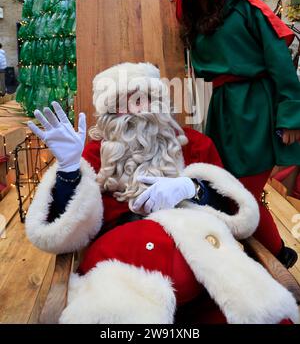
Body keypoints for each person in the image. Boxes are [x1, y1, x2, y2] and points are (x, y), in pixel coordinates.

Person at [25, 62, 297, 324]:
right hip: (122, 276)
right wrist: (69, 170)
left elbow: (229, 207)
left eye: (141, 100)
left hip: (205, 269)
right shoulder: (96, 155)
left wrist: (193, 188)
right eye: (120, 105)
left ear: (159, 103)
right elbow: (63, 228)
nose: (133, 113)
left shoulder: (195, 146)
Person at [175, 0, 300, 266]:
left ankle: (277, 256)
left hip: (253, 106)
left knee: (244, 188)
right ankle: (269, 253)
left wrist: (290, 116)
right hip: (221, 109)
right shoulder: (192, 18)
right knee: (228, 184)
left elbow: (279, 61)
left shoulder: (245, 7)